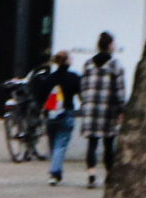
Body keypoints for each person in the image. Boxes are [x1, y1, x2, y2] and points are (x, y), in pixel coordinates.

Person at [27, 49, 81, 184]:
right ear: (67, 61)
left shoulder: (49, 79)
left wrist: (41, 110)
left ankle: (56, 173)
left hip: (51, 115)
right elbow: (80, 94)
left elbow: (40, 98)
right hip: (67, 113)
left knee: (53, 145)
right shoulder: (73, 77)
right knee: (61, 145)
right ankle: (54, 172)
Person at [81, 32, 126, 188]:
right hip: (108, 109)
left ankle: (91, 175)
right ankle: (109, 175)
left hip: (90, 108)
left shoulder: (88, 64)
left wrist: (85, 103)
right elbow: (119, 89)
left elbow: (83, 87)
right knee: (108, 143)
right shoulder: (115, 64)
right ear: (110, 45)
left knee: (92, 143)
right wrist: (121, 109)